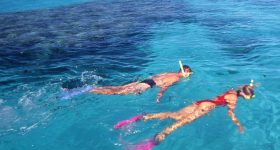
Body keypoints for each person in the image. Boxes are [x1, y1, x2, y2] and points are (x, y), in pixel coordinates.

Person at [114, 81, 257, 150]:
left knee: (173, 115)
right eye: (250, 97)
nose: (249, 98)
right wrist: (238, 125)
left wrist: (253, 86)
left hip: (202, 102)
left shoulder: (234, 90)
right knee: (175, 126)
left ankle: (141, 118)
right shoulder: (234, 99)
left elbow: (245, 86)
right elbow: (230, 113)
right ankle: (153, 141)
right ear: (244, 95)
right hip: (205, 108)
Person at [61, 62, 193, 102]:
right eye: (189, 73)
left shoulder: (169, 72)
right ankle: (86, 90)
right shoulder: (176, 78)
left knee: (117, 87)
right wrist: (159, 97)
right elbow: (164, 86)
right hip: (147, 85)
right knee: (117, 93)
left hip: (145, 80)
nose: (188, 75)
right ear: (185, 72)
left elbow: (155, 76)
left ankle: (85, 88)